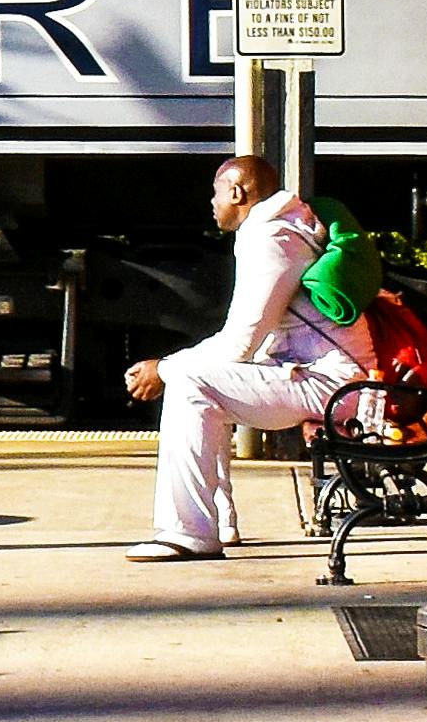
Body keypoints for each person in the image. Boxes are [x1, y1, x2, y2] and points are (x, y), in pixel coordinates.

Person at [118, 153, 345, 561]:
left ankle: (187, 531)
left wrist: (165, 368)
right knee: (203, 380)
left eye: (216, 192)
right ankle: (218, 521)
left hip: (334, 385)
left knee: (192, 383)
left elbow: (242, 340)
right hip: (321, 376)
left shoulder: (273, 239)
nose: (212, 201)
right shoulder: (280, 230)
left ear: (238, 192)